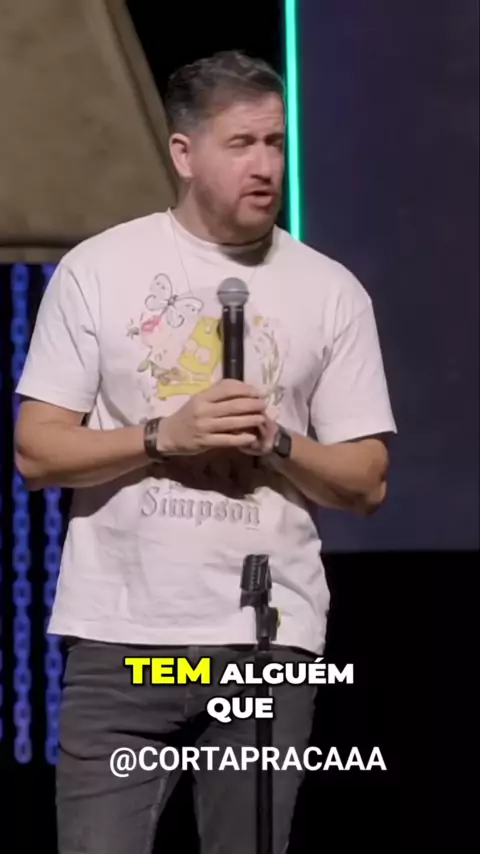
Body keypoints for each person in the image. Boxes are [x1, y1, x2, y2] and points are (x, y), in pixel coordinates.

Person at [14, 50, 396, 854]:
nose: (266, 166)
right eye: (242, 143)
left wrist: (278, 440)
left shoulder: (330, 290)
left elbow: (366, 481)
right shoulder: (99, 270)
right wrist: (163, 436)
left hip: (265, 638)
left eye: (276, 142)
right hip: (122, 635)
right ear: (184, 154)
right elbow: (37, 452)